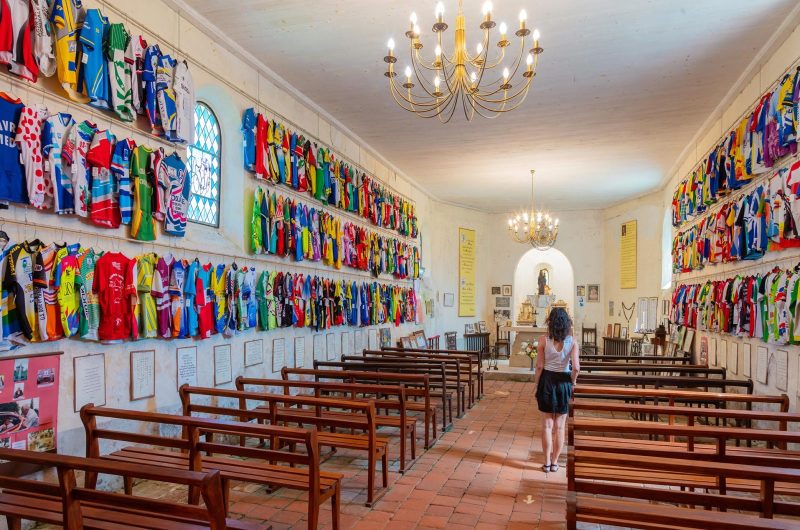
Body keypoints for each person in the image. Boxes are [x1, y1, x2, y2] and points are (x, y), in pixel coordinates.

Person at [533, 307, 580, 473]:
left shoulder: (543, 340)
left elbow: (539, 366)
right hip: (563, 382)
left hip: (547, 380)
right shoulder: (573, 341)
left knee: (547, 424)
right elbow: (576, 368)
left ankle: (546, 463)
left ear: (550, 323)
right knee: (560, 427)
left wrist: (537, 385)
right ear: (567, 323)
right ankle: (554, 463)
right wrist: (572, 383)